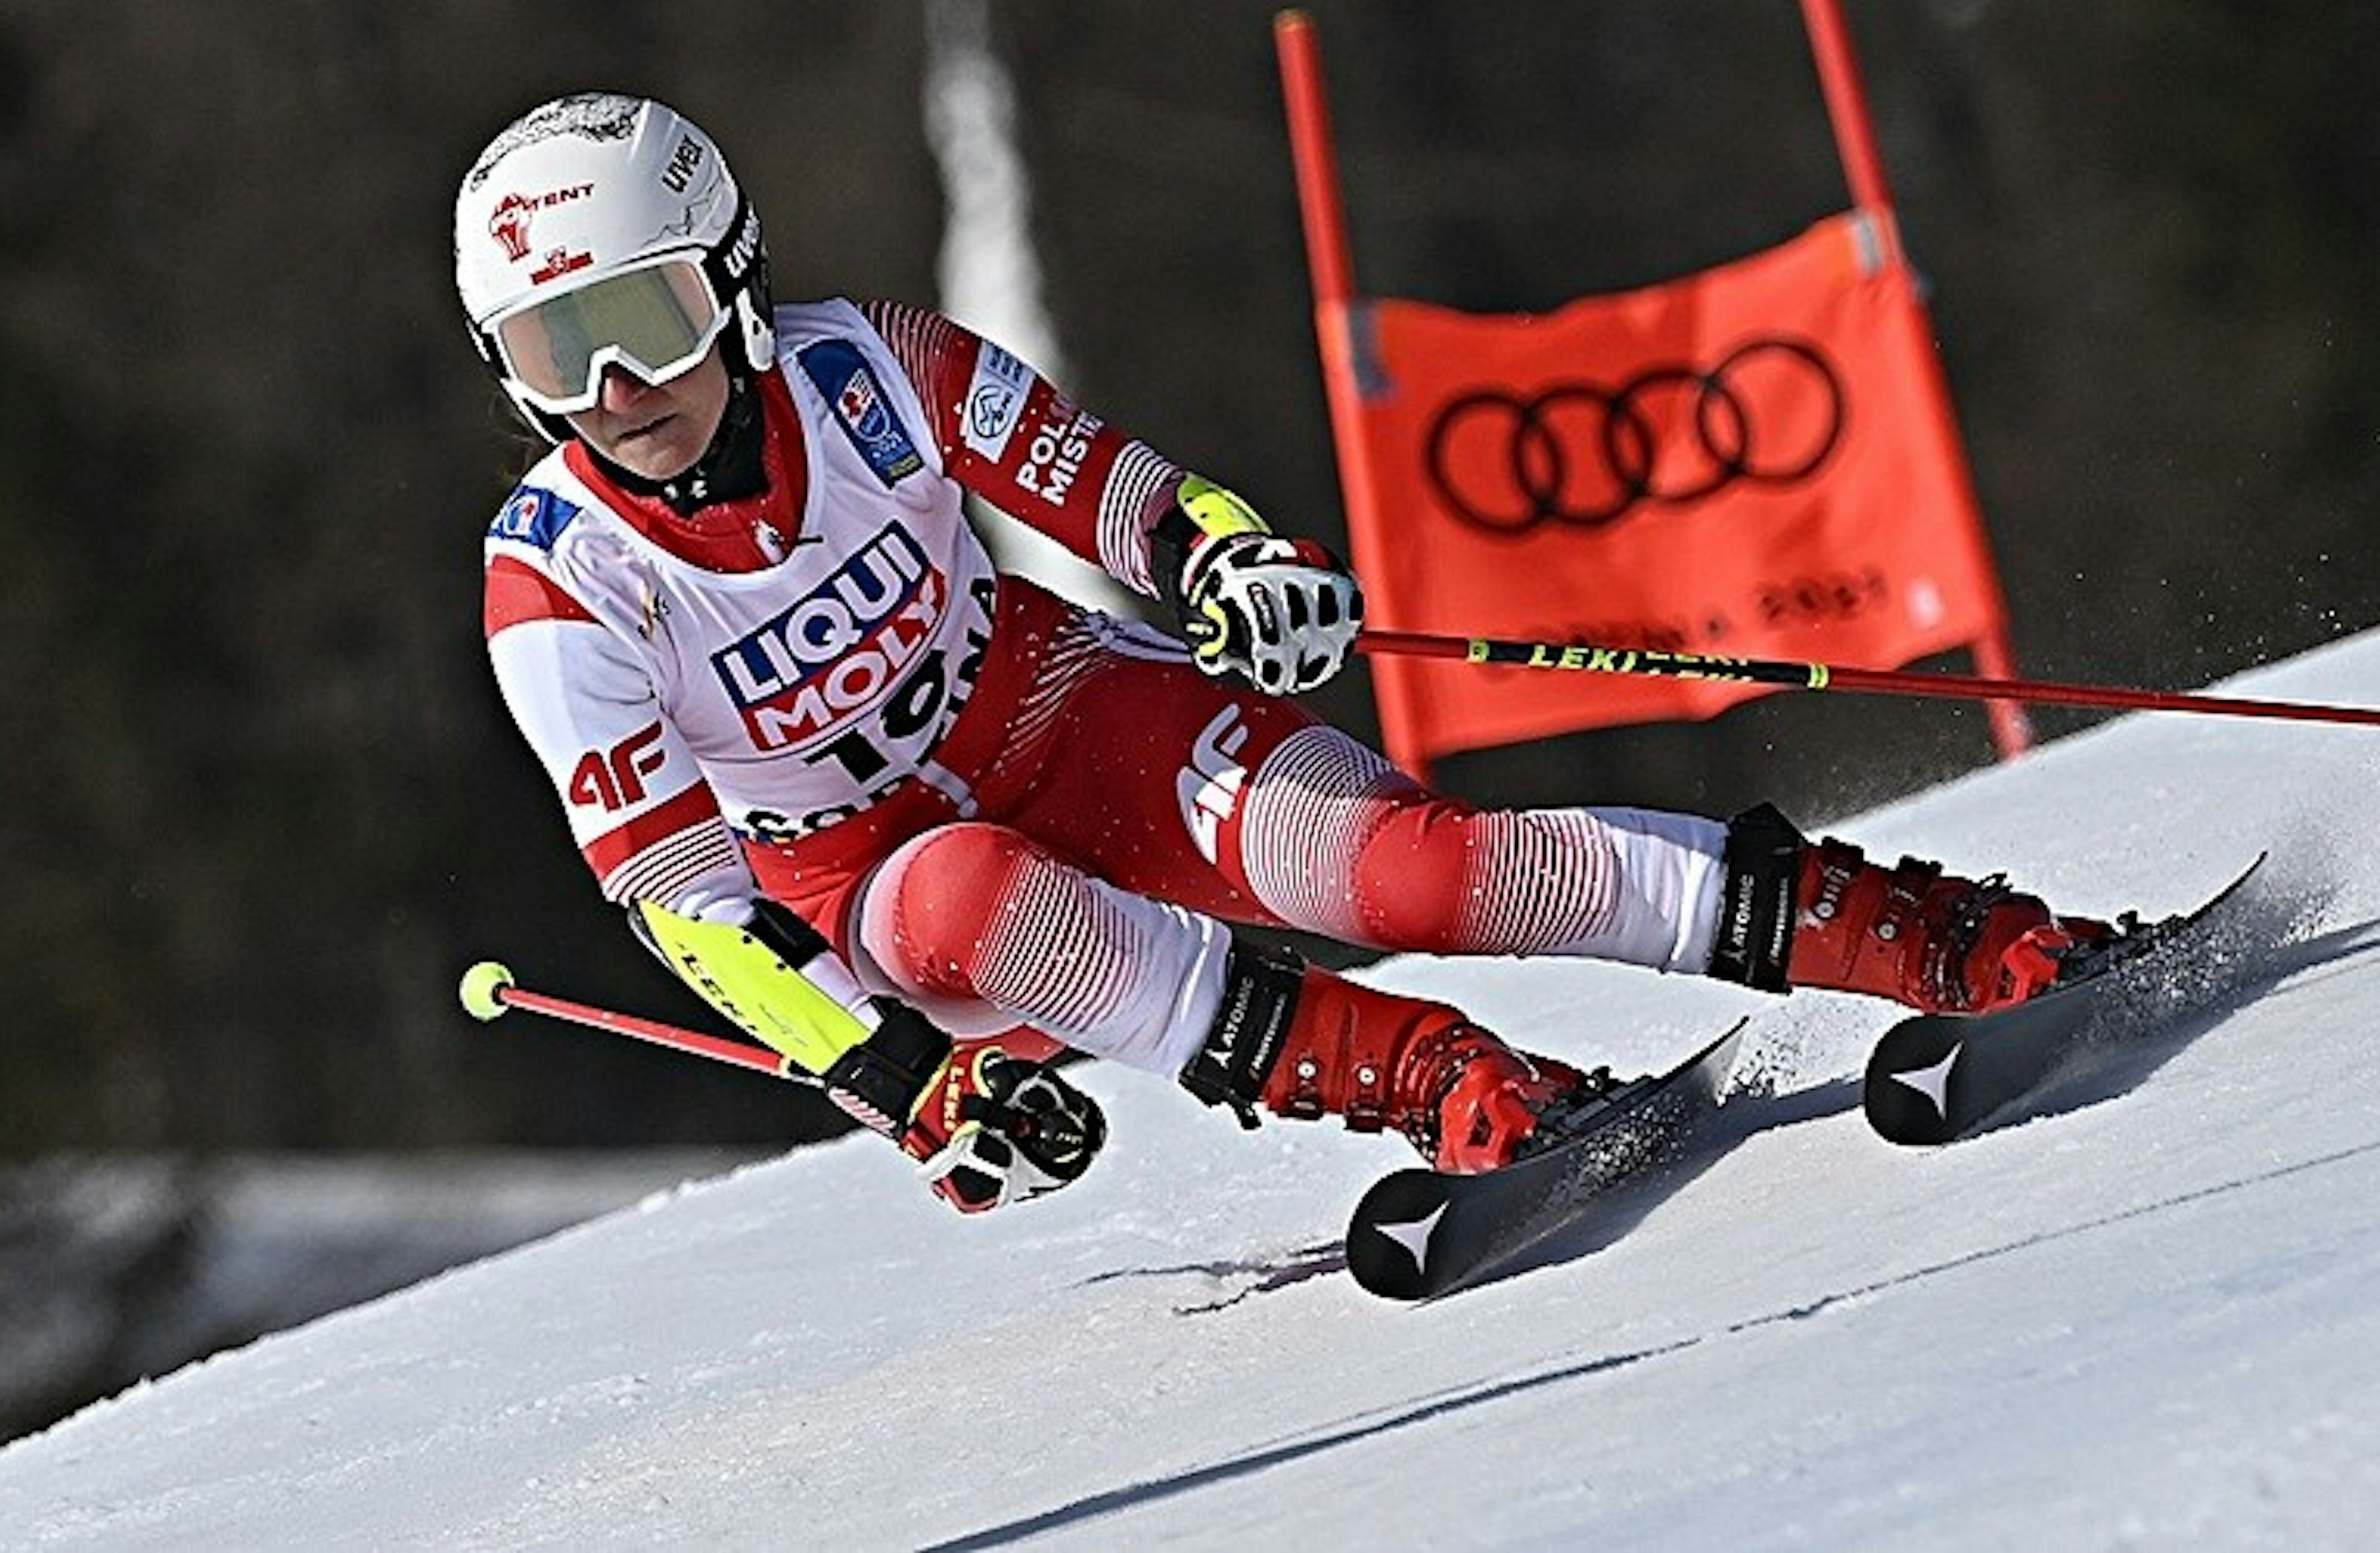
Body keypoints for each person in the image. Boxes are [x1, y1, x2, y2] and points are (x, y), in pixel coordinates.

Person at [459, 93, 2105, 1215]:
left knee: (1403, 869)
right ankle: (1444, 1080)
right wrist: (902, 1081)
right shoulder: (562, 587)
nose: (616, 390)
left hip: (1056, 707)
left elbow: (1106, 488)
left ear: (733, 284)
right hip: (868, 890)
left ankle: (1921, 933)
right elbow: (690, 903)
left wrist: (1232, 558)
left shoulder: (867, 369)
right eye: (556, 351)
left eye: (648, 320)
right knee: (977, 896)